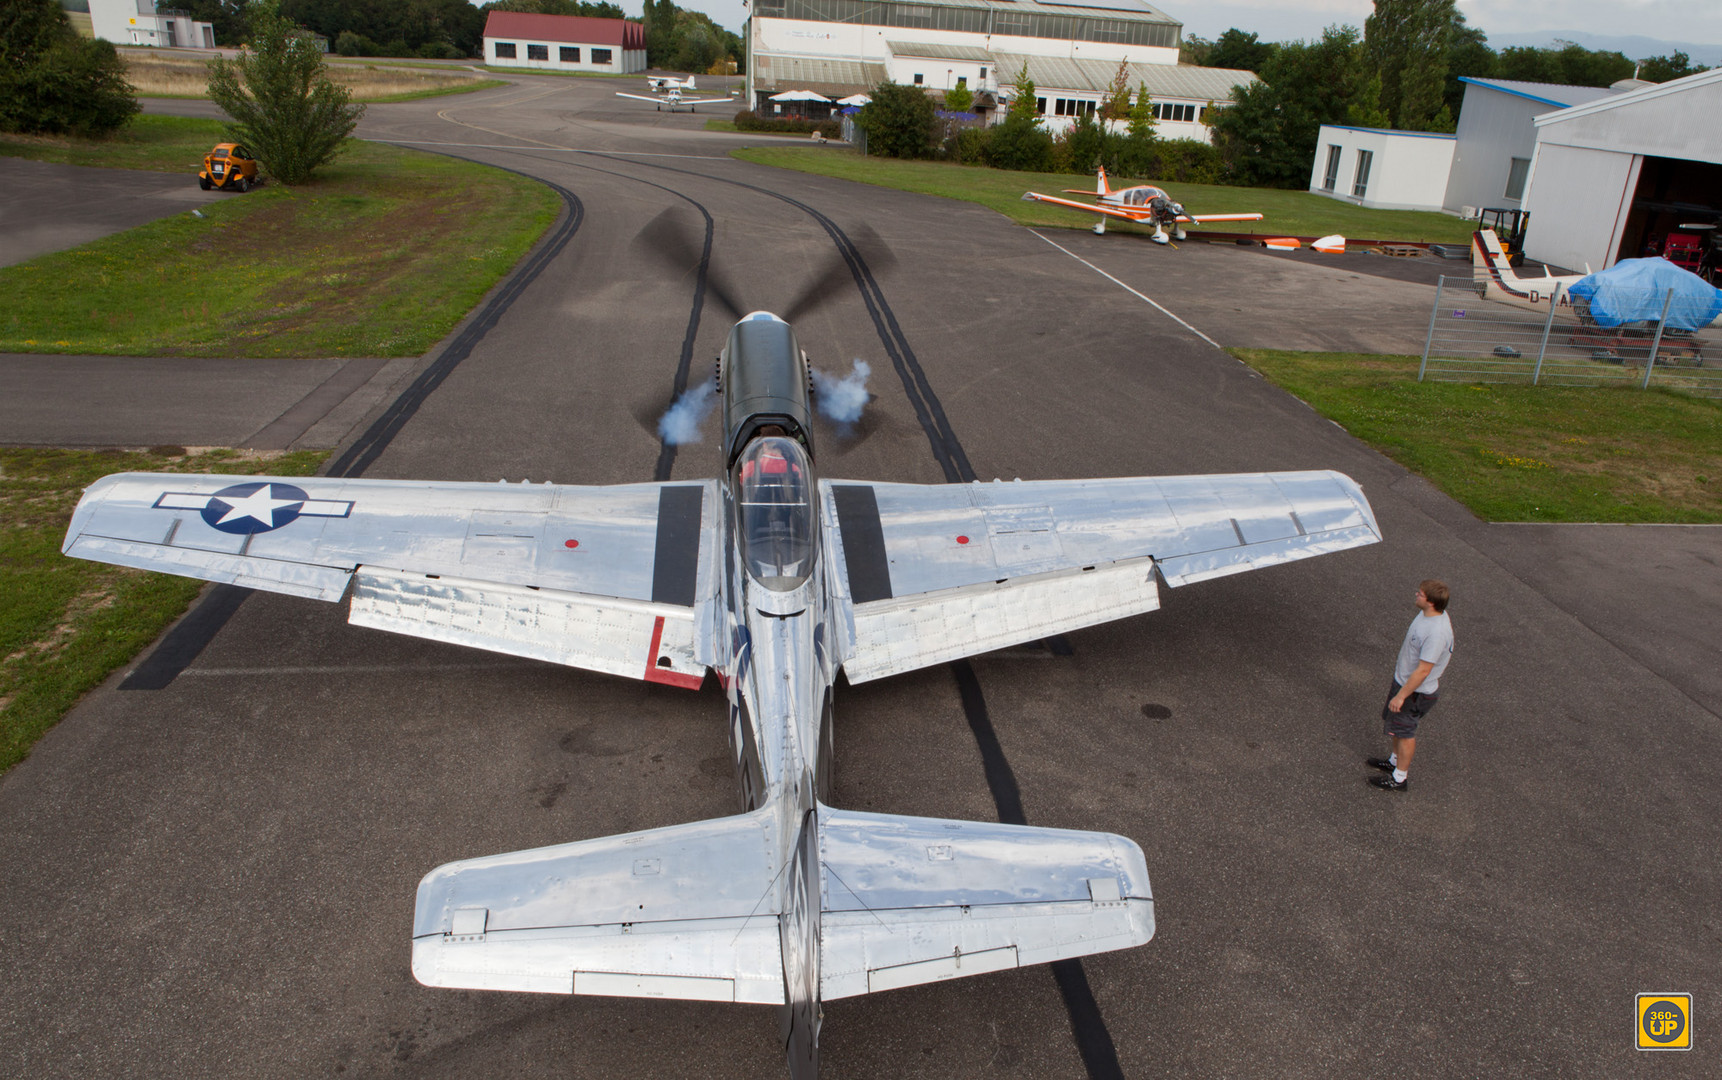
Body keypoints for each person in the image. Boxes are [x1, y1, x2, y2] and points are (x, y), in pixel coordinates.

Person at [1368, 580, 1454, 792]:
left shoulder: (1436, 633)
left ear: (1431, 602)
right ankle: (1394, 761)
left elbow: (1424, 670)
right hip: (1405, 685)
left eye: (1421, 594)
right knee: (1397, 727)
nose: (1417, 594)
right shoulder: (1430, 615)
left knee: (1405, 732)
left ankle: (1399, 778)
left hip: (1414, 693)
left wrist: (1401, 696)